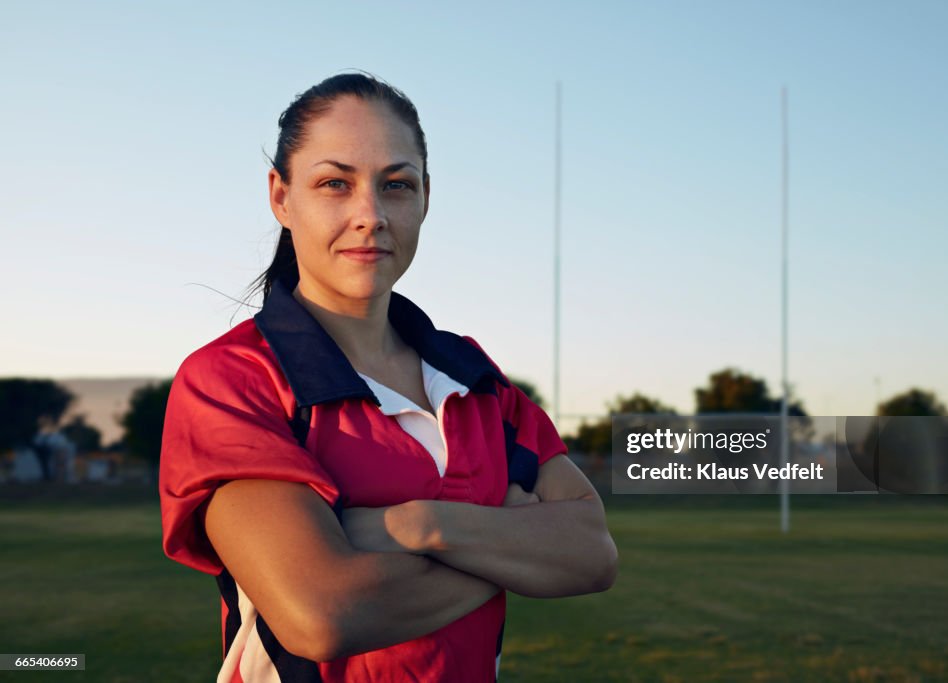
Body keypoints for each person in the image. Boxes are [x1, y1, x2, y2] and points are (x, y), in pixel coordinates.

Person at [159, 72, 617, 683]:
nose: (370, 214)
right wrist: (508, 540)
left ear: (425, 196)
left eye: (395, 185)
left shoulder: (475, 377)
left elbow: (591, 553)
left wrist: (415, 525)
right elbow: (322, 615)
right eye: (334, 184)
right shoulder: (232, 379)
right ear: (281, 197)